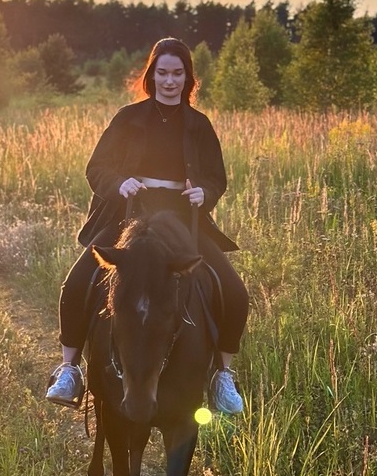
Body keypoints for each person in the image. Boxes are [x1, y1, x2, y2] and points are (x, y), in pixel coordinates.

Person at [45, 37, 249, 415]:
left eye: (177, 73)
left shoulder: (199, 125)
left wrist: (205, 193)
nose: (169, 81)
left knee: (234, 291)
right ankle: (70, 368)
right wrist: (118, 183)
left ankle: (222, 376)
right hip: (129, 214)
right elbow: (97, 168)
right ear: (151, 74)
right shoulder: (128, 118)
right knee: (75, 283)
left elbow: (217, 178)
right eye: (162, 73)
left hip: (182, 219)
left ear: (188, 78)